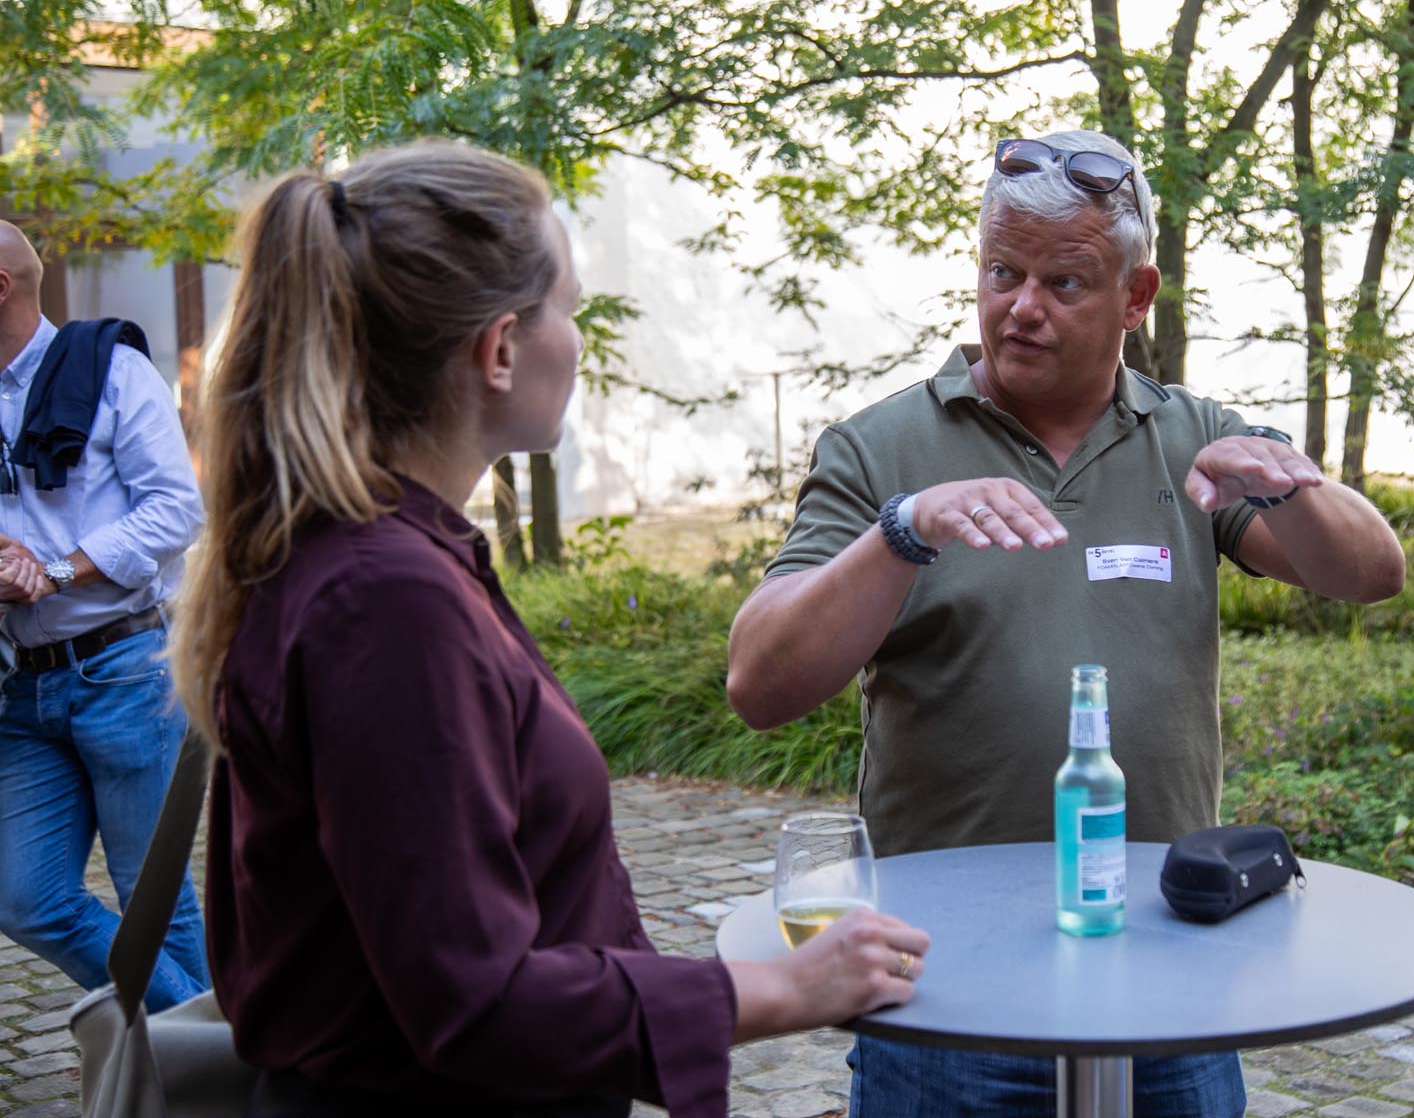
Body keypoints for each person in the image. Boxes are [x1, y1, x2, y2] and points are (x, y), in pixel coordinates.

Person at [168, 140, 930, 1118]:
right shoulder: (383, 598)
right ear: (497, 349)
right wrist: (784, 987)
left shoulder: (391, 557)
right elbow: (472, 995)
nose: (577, 339)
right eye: (566, 308)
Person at [726, 130, 1407, 1116]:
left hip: (1169, 965)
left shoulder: (1194, 440)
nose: (1022, 306)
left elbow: (1369, 574)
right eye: (1002, 271)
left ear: (1137, 296)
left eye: (1065, 281)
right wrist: (903, 533)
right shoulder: (882, 448)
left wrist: (1290, 482)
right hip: (943, 979)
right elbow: (760, 682)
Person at [0, 221, 209, 1012]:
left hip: (122, 669)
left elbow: (175, 512)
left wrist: (53, 571)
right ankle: (213, 1045)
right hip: (21, 690)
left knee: (155, 898)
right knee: (24, 899)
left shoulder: (114, 370)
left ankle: (197, 1081)